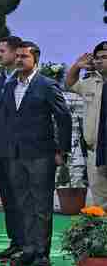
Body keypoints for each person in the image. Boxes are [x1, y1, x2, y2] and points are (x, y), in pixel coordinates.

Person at [0, 40, 71, 266]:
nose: (18, 60)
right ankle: (28, 250)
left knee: (41, 205)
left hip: (41, 154)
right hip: (15, 155)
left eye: (23, 57)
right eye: (17, 56)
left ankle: (41, 253)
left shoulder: (46, 85)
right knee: (23, 203)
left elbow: (63, 117)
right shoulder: (9, 86)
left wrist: (61, 150)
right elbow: (5, 120)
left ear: (35, 59)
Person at [0, 35, 25, 259]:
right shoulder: (0, 78)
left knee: (22, 198)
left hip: (20, 150)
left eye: (3, 51)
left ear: (14, 53)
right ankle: (15, 241)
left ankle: (27, 243)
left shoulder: (23, 80)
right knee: (9, 198)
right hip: (1, 149)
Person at [66, 42, 107, 206]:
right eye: (97, 58)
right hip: (95, 151)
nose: (99, 61)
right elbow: (69, 84)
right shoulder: (89, 82)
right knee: (100, 202)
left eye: (104, 57)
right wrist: (77, 66)